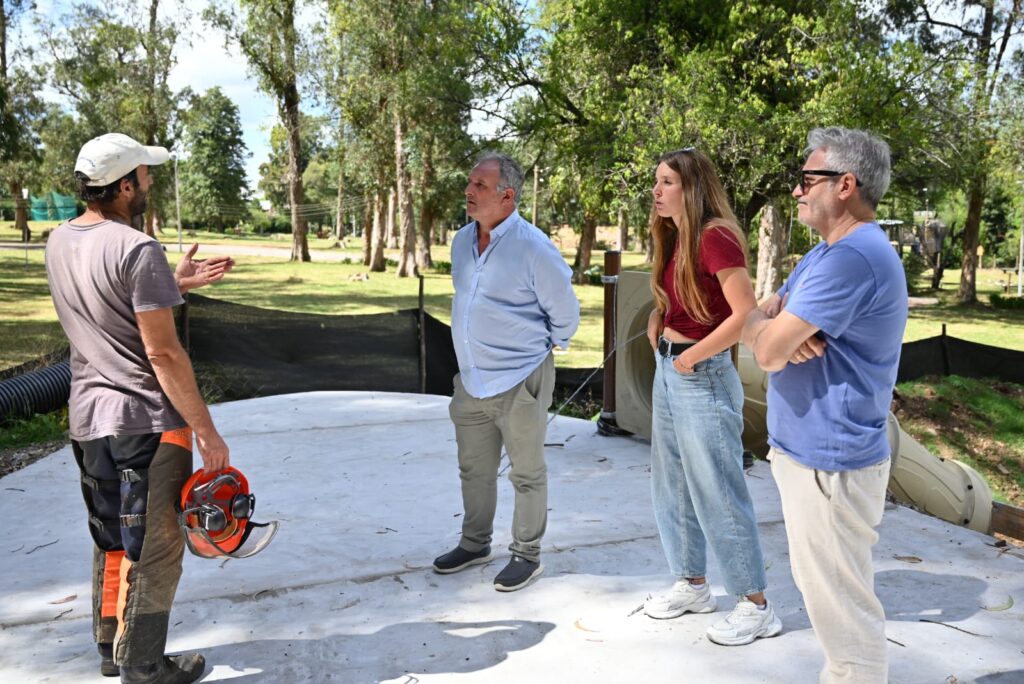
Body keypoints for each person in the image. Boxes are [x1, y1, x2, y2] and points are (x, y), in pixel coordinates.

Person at [46, 132, 232, 684]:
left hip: (88, 423)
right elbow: (162, 352)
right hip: (145, 425)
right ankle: (145, 665)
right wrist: (207, 432)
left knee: (111, 539)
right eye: (145, 176)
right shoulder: (137, 248)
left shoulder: (60, 240)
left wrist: (170, 286)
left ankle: (112, 648)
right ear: (125, 186)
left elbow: (107, 310)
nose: (150, 183)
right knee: (155, 548)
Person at [742, 127, 906, 682]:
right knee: (831, 606)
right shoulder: (826, 254)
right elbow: (758, 322)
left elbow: (763, 350)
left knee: (845, 625)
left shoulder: (852, 258)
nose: (796, 191)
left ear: (845, 185)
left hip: (830, 465)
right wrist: (771, 325)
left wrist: (771, 332)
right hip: (811, 457)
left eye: (807, 179)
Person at [643, 147, 781, 646]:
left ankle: (755, 603)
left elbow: (745, 315)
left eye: (667, 182)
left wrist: (691, 355)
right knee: (674, 482)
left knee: (718, 489)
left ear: (692, 187)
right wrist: (659, 317)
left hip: (699, 375)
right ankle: (693, 583)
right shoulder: (674, 236)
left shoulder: (714, 236)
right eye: (656, 181)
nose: (657, 191)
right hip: (670, 368)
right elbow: (687, 301)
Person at [432, 151, 580, 592]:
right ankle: (475, 544)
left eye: (479, 185)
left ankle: (527, 555)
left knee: (527, 473)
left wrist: (543, 345)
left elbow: (566, 313)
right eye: (470, 182)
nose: (468, 191)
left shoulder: (534, 247)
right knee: (472, 470)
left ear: (507, 195)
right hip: (471, 381)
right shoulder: (461, 241)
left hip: (521, 380)